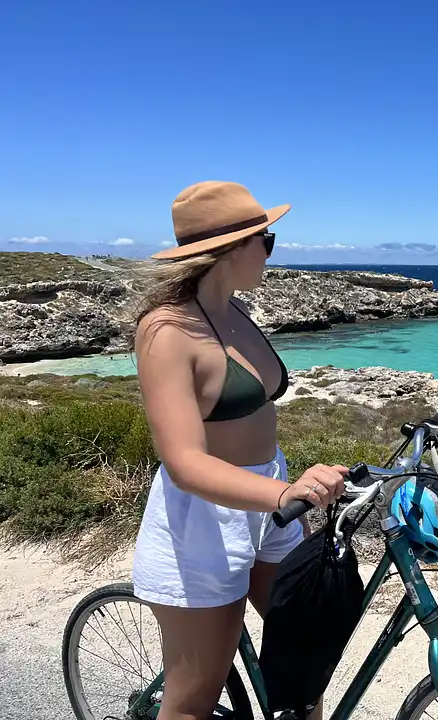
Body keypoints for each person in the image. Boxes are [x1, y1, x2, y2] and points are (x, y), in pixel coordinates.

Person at [130, 181, 349, 720]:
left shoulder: (236, 311)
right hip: (205, 521)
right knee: (193, 696)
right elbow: (184, 462)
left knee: (303, 666)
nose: (273, 252)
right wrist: (282, 493)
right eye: (267, 241)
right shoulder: (166, 330)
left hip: (272, 505)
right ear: (230, 248)